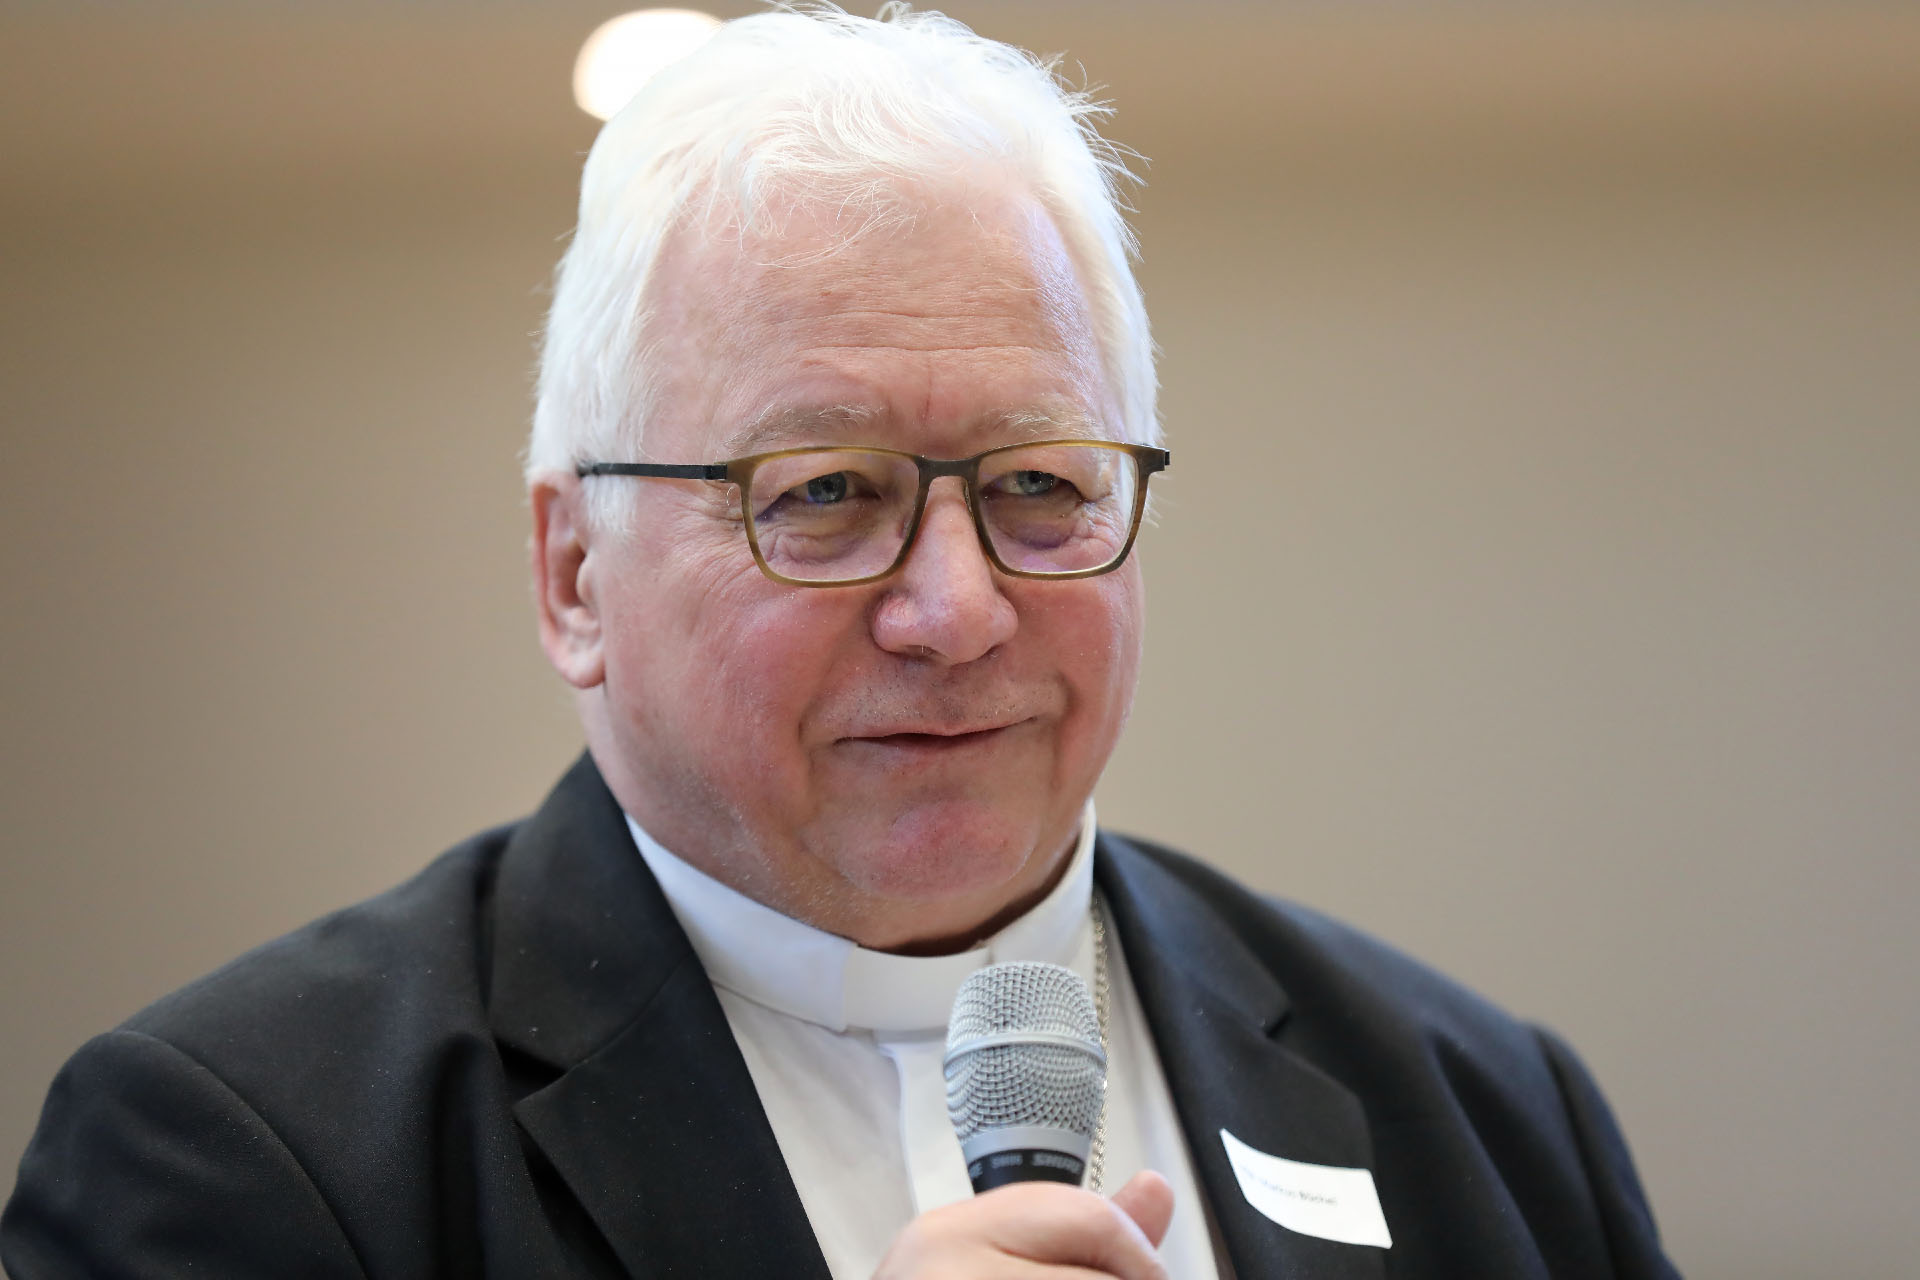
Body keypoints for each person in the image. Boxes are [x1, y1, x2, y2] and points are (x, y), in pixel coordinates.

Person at [2, 8, 1680, 1278]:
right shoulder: (245, 1151)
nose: (953, 611)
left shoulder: (1482, 1112)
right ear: (575, 570)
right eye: (821, 494)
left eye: (1038, 483)